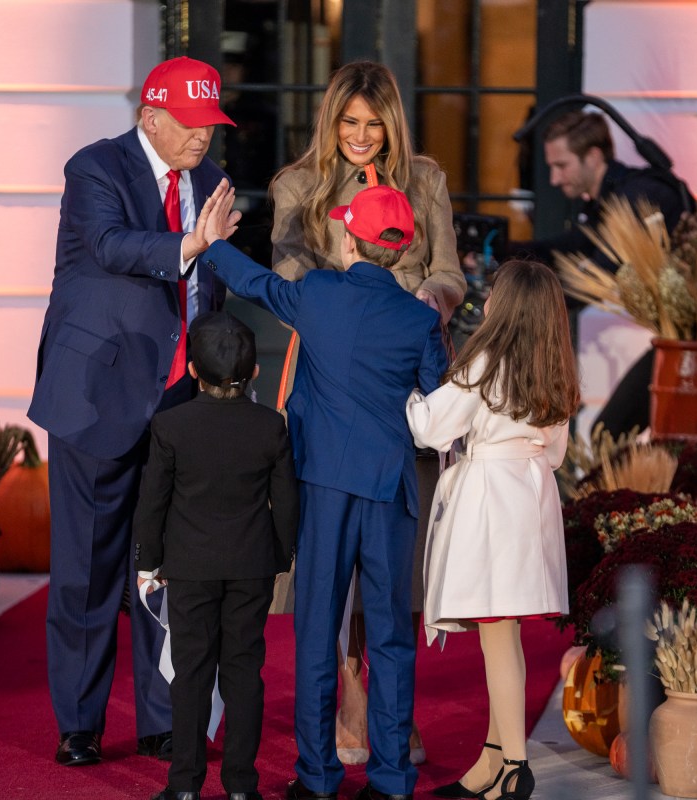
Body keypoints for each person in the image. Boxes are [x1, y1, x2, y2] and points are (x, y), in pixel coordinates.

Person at [198, 179, 448, 800]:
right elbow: (435, 403)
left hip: (322, 487)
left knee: (316, 630)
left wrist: (210, 245)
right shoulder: (420, 318)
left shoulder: (318, 293)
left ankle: (317, 778)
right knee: (390, 635)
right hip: (389, 489)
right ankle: (391, 780)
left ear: (351, 240)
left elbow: (256, 285)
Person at [26, 56, 234, 767]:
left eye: (212, 122)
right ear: (153, 117)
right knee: (86, 569)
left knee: (163, 567)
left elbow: (213, 288)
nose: (204, 137)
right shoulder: (94, 169)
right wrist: (190, 244)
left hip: (177, 402)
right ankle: (80, 724)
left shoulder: (206, 182)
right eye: (194, 122)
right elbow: (114, 246)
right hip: (96, 399)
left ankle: (159, 718)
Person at [269, 60, 466, 767]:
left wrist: (421, 302)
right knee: (326, 557)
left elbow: (449, 271)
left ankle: (383, 699)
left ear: (391, 123)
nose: (359, 136)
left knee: (396, 557)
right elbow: (287, 279)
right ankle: (344, 688)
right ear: (331, 122)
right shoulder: (297, 187)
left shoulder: (427, 180)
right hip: (329, 377)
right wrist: (357, 292)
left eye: (372, 124)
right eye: (347, 123)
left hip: (405, 377)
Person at [405, 259, 580, 800]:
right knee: (501, 636)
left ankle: (514, 768)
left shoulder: (485, 359)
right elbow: (554, 454)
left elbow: (432, 425)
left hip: (491, 500)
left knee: (498, 633)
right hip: (531, 496)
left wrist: (406, 396)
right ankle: (491, 758)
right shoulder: (554, 366)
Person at [134, 310, 299, 800]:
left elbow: (153, 501)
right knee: (244, 671)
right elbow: (286, 502)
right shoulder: (270, 426)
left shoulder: (170, 425)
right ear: (254, 373)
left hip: (188, 568)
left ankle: (184, 785)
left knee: (192, 675)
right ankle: (242, 786)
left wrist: (149, 561)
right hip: (250, 566)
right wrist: (278, 557)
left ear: (191, 372)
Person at [514, 109, 695, 437]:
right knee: (613, 435)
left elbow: (598, 277)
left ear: (593, 156)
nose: (554, 179)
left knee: (607, 436)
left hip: (692, 345)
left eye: (561, 165)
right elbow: (574, 245)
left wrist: (522, 305)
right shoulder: (617, 197)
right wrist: (506, 250)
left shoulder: (636, 198)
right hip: (679, 339)